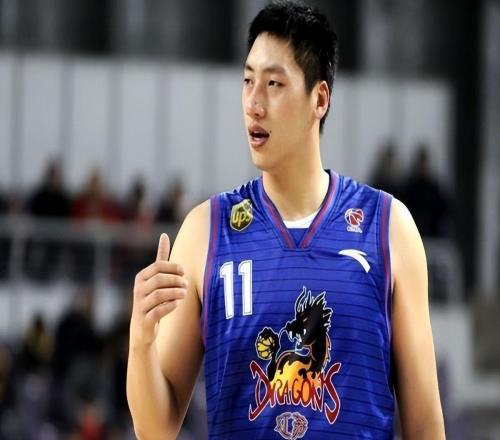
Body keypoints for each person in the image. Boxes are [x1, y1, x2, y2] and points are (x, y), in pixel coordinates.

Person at [127, 1, 445, 439]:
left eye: (274, 84)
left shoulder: (389, 227)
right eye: (247, 81)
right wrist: (140, 340)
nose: (254, 104)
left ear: (319, 99)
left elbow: (426, 425)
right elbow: (154, 429)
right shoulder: (205, 230)